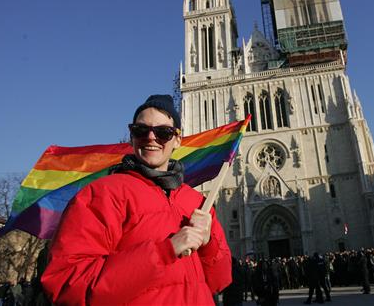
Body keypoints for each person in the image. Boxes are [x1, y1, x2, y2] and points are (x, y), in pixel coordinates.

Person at [41, 95, 232, 305]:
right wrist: (165, 251)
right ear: (131, 136)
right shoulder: (103, 194)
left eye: (163, 132)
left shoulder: (198, 202)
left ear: (177, 140)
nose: (151, 137)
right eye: (141, 130)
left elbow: (219, 282)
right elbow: (67, 285)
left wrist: (208, 243)